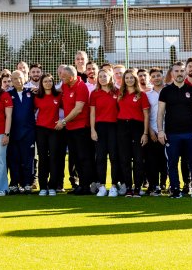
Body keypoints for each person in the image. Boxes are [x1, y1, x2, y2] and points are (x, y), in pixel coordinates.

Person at [157, 63, 192, 198]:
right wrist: (160, 130)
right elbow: (160, 113)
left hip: (191, 133)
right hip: (172, 134)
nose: (179, 73)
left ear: (186, 73)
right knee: (172, 162)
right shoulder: (165, 91)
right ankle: (175, 189)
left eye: (182, 71)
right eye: (176, 71)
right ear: (172, 73)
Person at [57, 65, 93, 195]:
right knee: (75, 157)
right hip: (70, 128)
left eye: (64, 76)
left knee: (84, 157)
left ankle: (86, 186)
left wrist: (64, 121)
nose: (61, 78)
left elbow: (78, 109)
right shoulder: (65, 86)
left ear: (71, 77)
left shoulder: (81, 86)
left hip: (81, 127)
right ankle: (80, 186)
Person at [116, 68, 149, 198]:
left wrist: (145, 133)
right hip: (122, 126)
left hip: (137, 127)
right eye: (127, 78)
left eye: (131, 77)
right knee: (124, 159)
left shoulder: (142, 95)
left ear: (135, 79)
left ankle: (138, 187)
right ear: (124, 80)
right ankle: (128, 188)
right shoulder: (120, 94)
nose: (129, 80)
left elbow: (146, 115)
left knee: (138, 159)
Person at [89, 68, 121, 197]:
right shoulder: (95, 93)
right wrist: (93, 130)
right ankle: (102, 186)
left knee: (114, 157)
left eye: (105, 76)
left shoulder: (117, 92)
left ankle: (114, 186)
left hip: (114, 127)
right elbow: (92, 113)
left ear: (110, 77)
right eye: (100, 76)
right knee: (100, 158)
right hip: (100, 128)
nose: (102, 78)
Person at [33, 73, 64, 196]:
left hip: (54, 130)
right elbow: (33, 110)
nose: (48, 83)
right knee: (43, 158)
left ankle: (52, 186)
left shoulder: (58, 96)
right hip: (40, 130)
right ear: (41, 83)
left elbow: (67, 108)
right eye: (45, 81)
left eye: (50, 81)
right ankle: (43, 187)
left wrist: (62, 121)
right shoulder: (37, 97)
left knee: (54, 158)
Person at [6, 69, 37, 193]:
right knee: (14, 159)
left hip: (29, 133)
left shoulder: (32, 92)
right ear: (11, 81)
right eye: (14, 78)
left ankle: (27, 183)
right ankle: (14, 183)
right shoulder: (8, 94)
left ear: (25, 78)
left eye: (20, 77)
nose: (17, 80)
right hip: (13, 132)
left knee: (28, 159)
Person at [144, 69, 166, 195]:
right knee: (152, 160)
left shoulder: (168, 92)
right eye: (154, 76)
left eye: (158, 75)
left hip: (167, 131)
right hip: (153, 130)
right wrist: (151, 131)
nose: (156, 78)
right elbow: (146, 114)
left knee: (165, 160)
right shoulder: (148, 95)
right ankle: (153, 185)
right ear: (150, 79)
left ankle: (163, 183)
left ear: (162, 76)